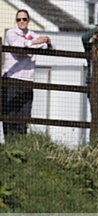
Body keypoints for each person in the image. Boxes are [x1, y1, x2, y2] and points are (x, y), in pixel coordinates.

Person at [2, 10, 52, 138]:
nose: (22, 22)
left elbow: (46, 46)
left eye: (24, 19)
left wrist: (47, 41)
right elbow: (17, 47)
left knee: (24, 115)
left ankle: (22, 145)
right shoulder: (11, 33)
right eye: (19, 19)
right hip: (11, 78)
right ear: (16, 21)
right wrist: (34, 44)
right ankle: (9, 145)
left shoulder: (33, 34)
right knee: (10, 115)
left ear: (28, 20)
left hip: (27, 79)